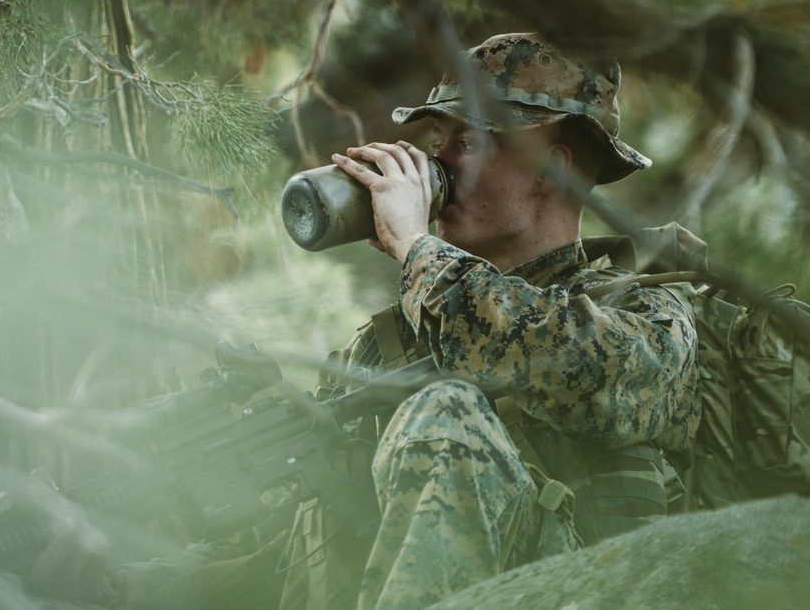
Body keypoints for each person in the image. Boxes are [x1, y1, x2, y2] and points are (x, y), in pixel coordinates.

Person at [278, 32, 700, 610]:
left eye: (469, 143)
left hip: (589, 590)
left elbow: (587, 376)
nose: (435, 164)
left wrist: (417, 251)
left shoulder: (644, 310)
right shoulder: (387, 343)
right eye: (436, 139)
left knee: (447, 411)